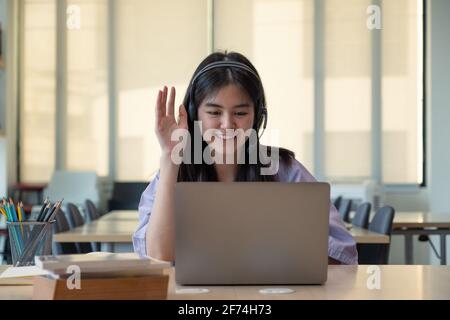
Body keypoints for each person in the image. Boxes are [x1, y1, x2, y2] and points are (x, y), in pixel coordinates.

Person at [133, 51, 358, 265]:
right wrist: (170, 157)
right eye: (214, 112)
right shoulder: (173, 172)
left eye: (240, 113)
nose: (227, 125)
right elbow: (158, 256)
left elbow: (340, 255)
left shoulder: (285, 170)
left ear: (257, 116)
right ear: (194, 115)